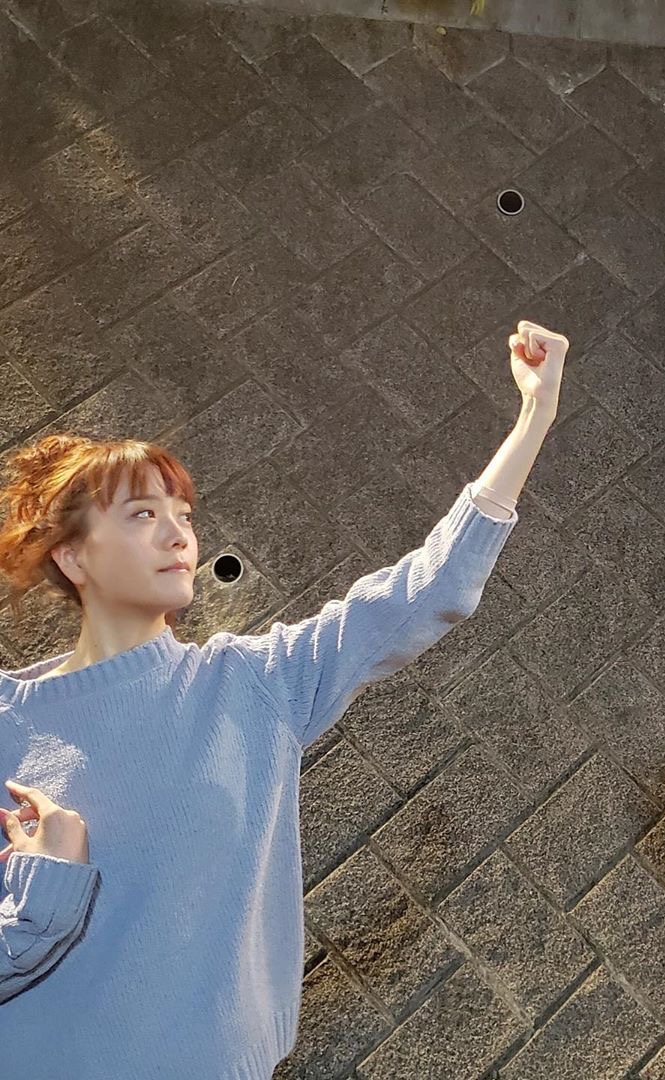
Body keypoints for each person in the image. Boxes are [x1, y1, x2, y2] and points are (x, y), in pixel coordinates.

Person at [0, 320, 566, 1079]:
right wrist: (45, 890)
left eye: (183, 516)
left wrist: (534, 418)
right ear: (73, 558)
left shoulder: (251, 683)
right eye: (143, 515)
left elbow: (420, 593)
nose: (178, 536)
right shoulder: (10, 728)